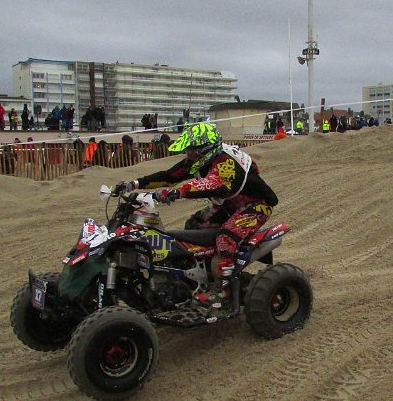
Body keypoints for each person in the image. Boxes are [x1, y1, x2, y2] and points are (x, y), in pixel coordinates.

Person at [112, 123, 279, 313]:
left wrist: (178, 192)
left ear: (205, 150)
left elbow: (214, 183)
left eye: (192, 152)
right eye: (188, 152)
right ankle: (195, 275)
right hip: (226, 205)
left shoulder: (226, 161)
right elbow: (169, 175)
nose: (189, 156)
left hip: (255, 206)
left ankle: (221, 289)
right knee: (192, 227)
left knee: (225, 238)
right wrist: (134, 184)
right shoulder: (199, 160)